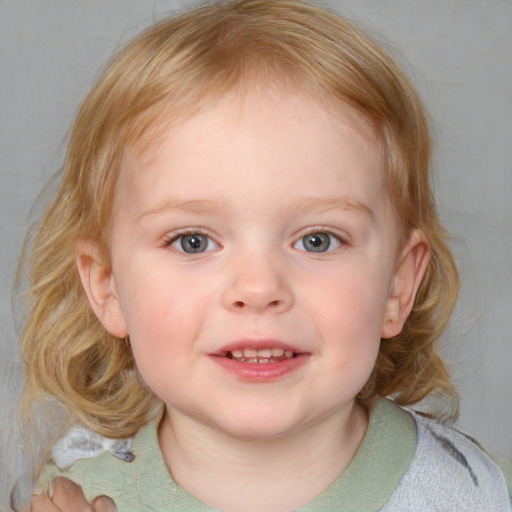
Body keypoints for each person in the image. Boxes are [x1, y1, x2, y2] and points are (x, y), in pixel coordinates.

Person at [19, 0, 511, 510]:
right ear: (106, 286)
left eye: (317, 240)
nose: (258, 288)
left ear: (397, 285)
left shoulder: (472, 495)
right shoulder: (77, 493)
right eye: (193, 241)